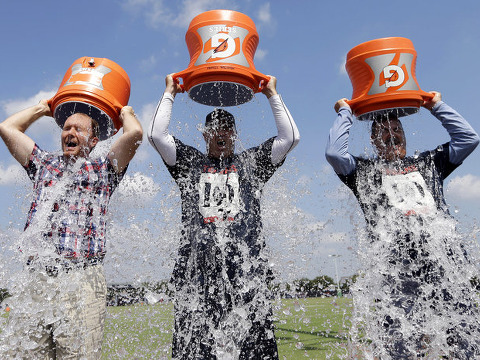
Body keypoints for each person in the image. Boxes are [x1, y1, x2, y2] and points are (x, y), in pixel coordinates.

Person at [148, 74, 299, 359]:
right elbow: (156, 135)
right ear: (205, 135)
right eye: (215, 128)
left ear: (235, 134)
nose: (222, 133)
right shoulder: (191, 164)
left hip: (246, 279)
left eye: (228, 129)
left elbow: (290, 137)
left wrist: (272, 94)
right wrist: (170, 91)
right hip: (198, 281)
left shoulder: (250, 163)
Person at [325, 92, 480, 358]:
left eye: (397, 128)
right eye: (383, 130)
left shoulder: (428, 162)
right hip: (398, 276)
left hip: (445, 266)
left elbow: (469, 139)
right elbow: (335, 154)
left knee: (466, 342)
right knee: (401, 348)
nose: (391, 133)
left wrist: (436, 106)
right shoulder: (364, 171)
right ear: (373, 141)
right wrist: (345, 112)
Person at [0, 99, 143, 358]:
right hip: (38, 280)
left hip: (82, 280)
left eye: (79, 129)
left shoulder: (104, 170)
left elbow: (134, 133)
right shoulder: (44, 164)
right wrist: (44, 108)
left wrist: (124, 111)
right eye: (66, 128)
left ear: (94, 141)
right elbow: (7, 128)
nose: (70, 133)